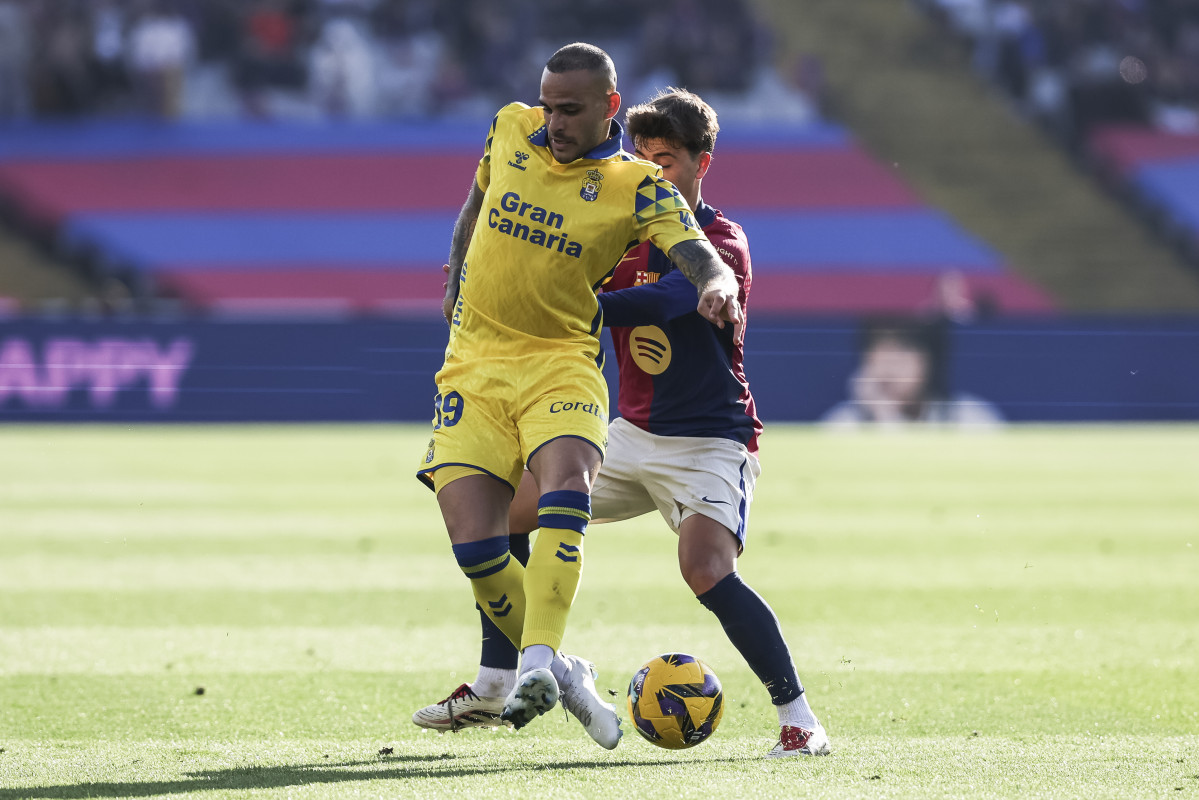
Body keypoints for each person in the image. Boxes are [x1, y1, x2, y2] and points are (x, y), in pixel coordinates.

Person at [414, 87, 830, 758]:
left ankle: (799, 719)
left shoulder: (719, 241)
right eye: (642, 157)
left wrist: (574, 302)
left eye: (667, 158)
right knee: (504, 520)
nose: (653, 171)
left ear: (702, 162)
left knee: (704, 568)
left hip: (709, 439)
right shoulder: (615, 225)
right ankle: (501, 678)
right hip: (630, 436)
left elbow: (673, 294)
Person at [821, 318, 1003, 428]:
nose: (889, 364)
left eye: (903, 348)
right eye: (879, 348)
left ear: (931, 357)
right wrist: (883, 415)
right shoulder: (842, 424)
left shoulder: (971, 419)